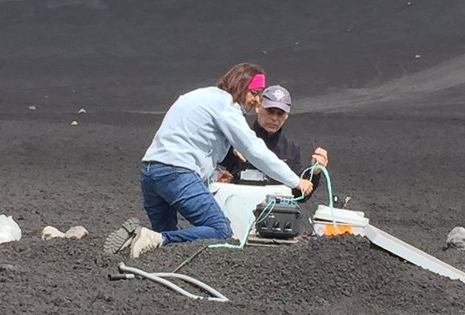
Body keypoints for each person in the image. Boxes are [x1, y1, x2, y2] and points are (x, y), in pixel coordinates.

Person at [105, 63, 314, 258]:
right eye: (255, 93)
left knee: (163, 245)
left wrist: (213, 173)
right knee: (220, 230)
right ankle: (154, 237)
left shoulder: (195, 96)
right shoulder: (226, 105)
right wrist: (295, 181)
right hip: (176, 174)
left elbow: (191, 139)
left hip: (150, 173)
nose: (257, 100)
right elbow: (253, 148)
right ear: (241, 86)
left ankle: (133, 238)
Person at [215, 85, 329, 201]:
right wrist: (218, 178)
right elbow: (209, 169)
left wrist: (314, 173)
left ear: (286, 116)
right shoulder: (236, 138)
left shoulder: (291, 150)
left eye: (280, 113)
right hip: (235, 206)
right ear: (258, 107)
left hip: (273, 212)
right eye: (270, 111)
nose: (274, 118)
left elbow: (299, 195)